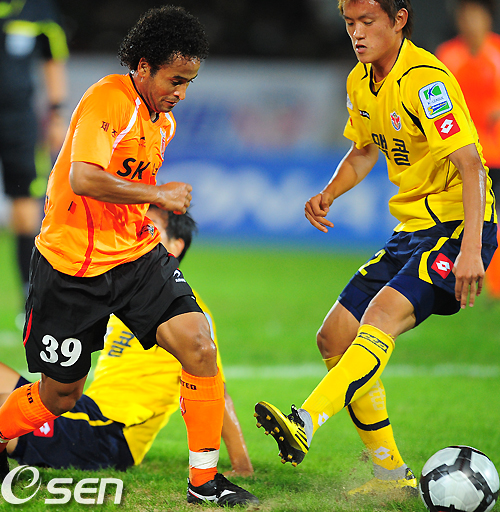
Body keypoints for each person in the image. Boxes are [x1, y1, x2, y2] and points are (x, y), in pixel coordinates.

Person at [0, 6, 258, 507]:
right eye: (175, 80)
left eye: (189, 82)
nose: (181, 92)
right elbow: (82, 177)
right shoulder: (108, 98)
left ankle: (203, 483)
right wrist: (157, 194)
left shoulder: (162, 124)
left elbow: (125, 192)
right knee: (59, 396)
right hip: (71, 268)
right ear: (143, 67)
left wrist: (148, 205)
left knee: (199, 344)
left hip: (135, 256)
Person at [255, 0, 497, 497]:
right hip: (412, 229)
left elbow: (472, 165)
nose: (357, 34)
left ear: (399, 19)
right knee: (334, 337)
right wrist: (329, 192)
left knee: (380, 316)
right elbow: (364, 150)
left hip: (458, 226)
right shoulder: (359, 81)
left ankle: (305, 421)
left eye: (368, 22)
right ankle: (390, 478)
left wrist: (472, 249)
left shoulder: (426, 81)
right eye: (350, 24)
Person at [0, 208, 253, 477]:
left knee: (5, 405)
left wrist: (242, 466)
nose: (136, 234)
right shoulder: (126, 295)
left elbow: (215, 388)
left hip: (110, 434)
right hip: (84, 410)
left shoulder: (185, 318)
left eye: (149, 228)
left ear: (175, 246)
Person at [0, 0, 68, 298]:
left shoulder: (37, 9)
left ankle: (29, 299)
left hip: (19, 121)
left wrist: (57, 115)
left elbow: (53, 60)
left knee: (26, 208)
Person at [435, 0, 500, 299]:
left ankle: (493, 283)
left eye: (476, 15)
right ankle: (449, 278)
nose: (470, 22)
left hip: (496, 154)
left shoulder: (497, 51)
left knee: (492, 221)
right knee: (459, 222)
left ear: (487, 18)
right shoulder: (448, 55)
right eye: (465, 17)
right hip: (462, 155)